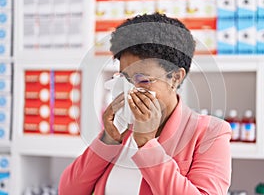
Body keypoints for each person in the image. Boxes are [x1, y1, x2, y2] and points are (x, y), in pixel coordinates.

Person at [59, 13, 232, 195]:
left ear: (175, 78)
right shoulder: (123, 128)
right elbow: (68, 190)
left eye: (142, 80)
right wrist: (108, 140)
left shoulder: (210, 133)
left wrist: (147, 144)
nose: (131, 90)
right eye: (124, 78)